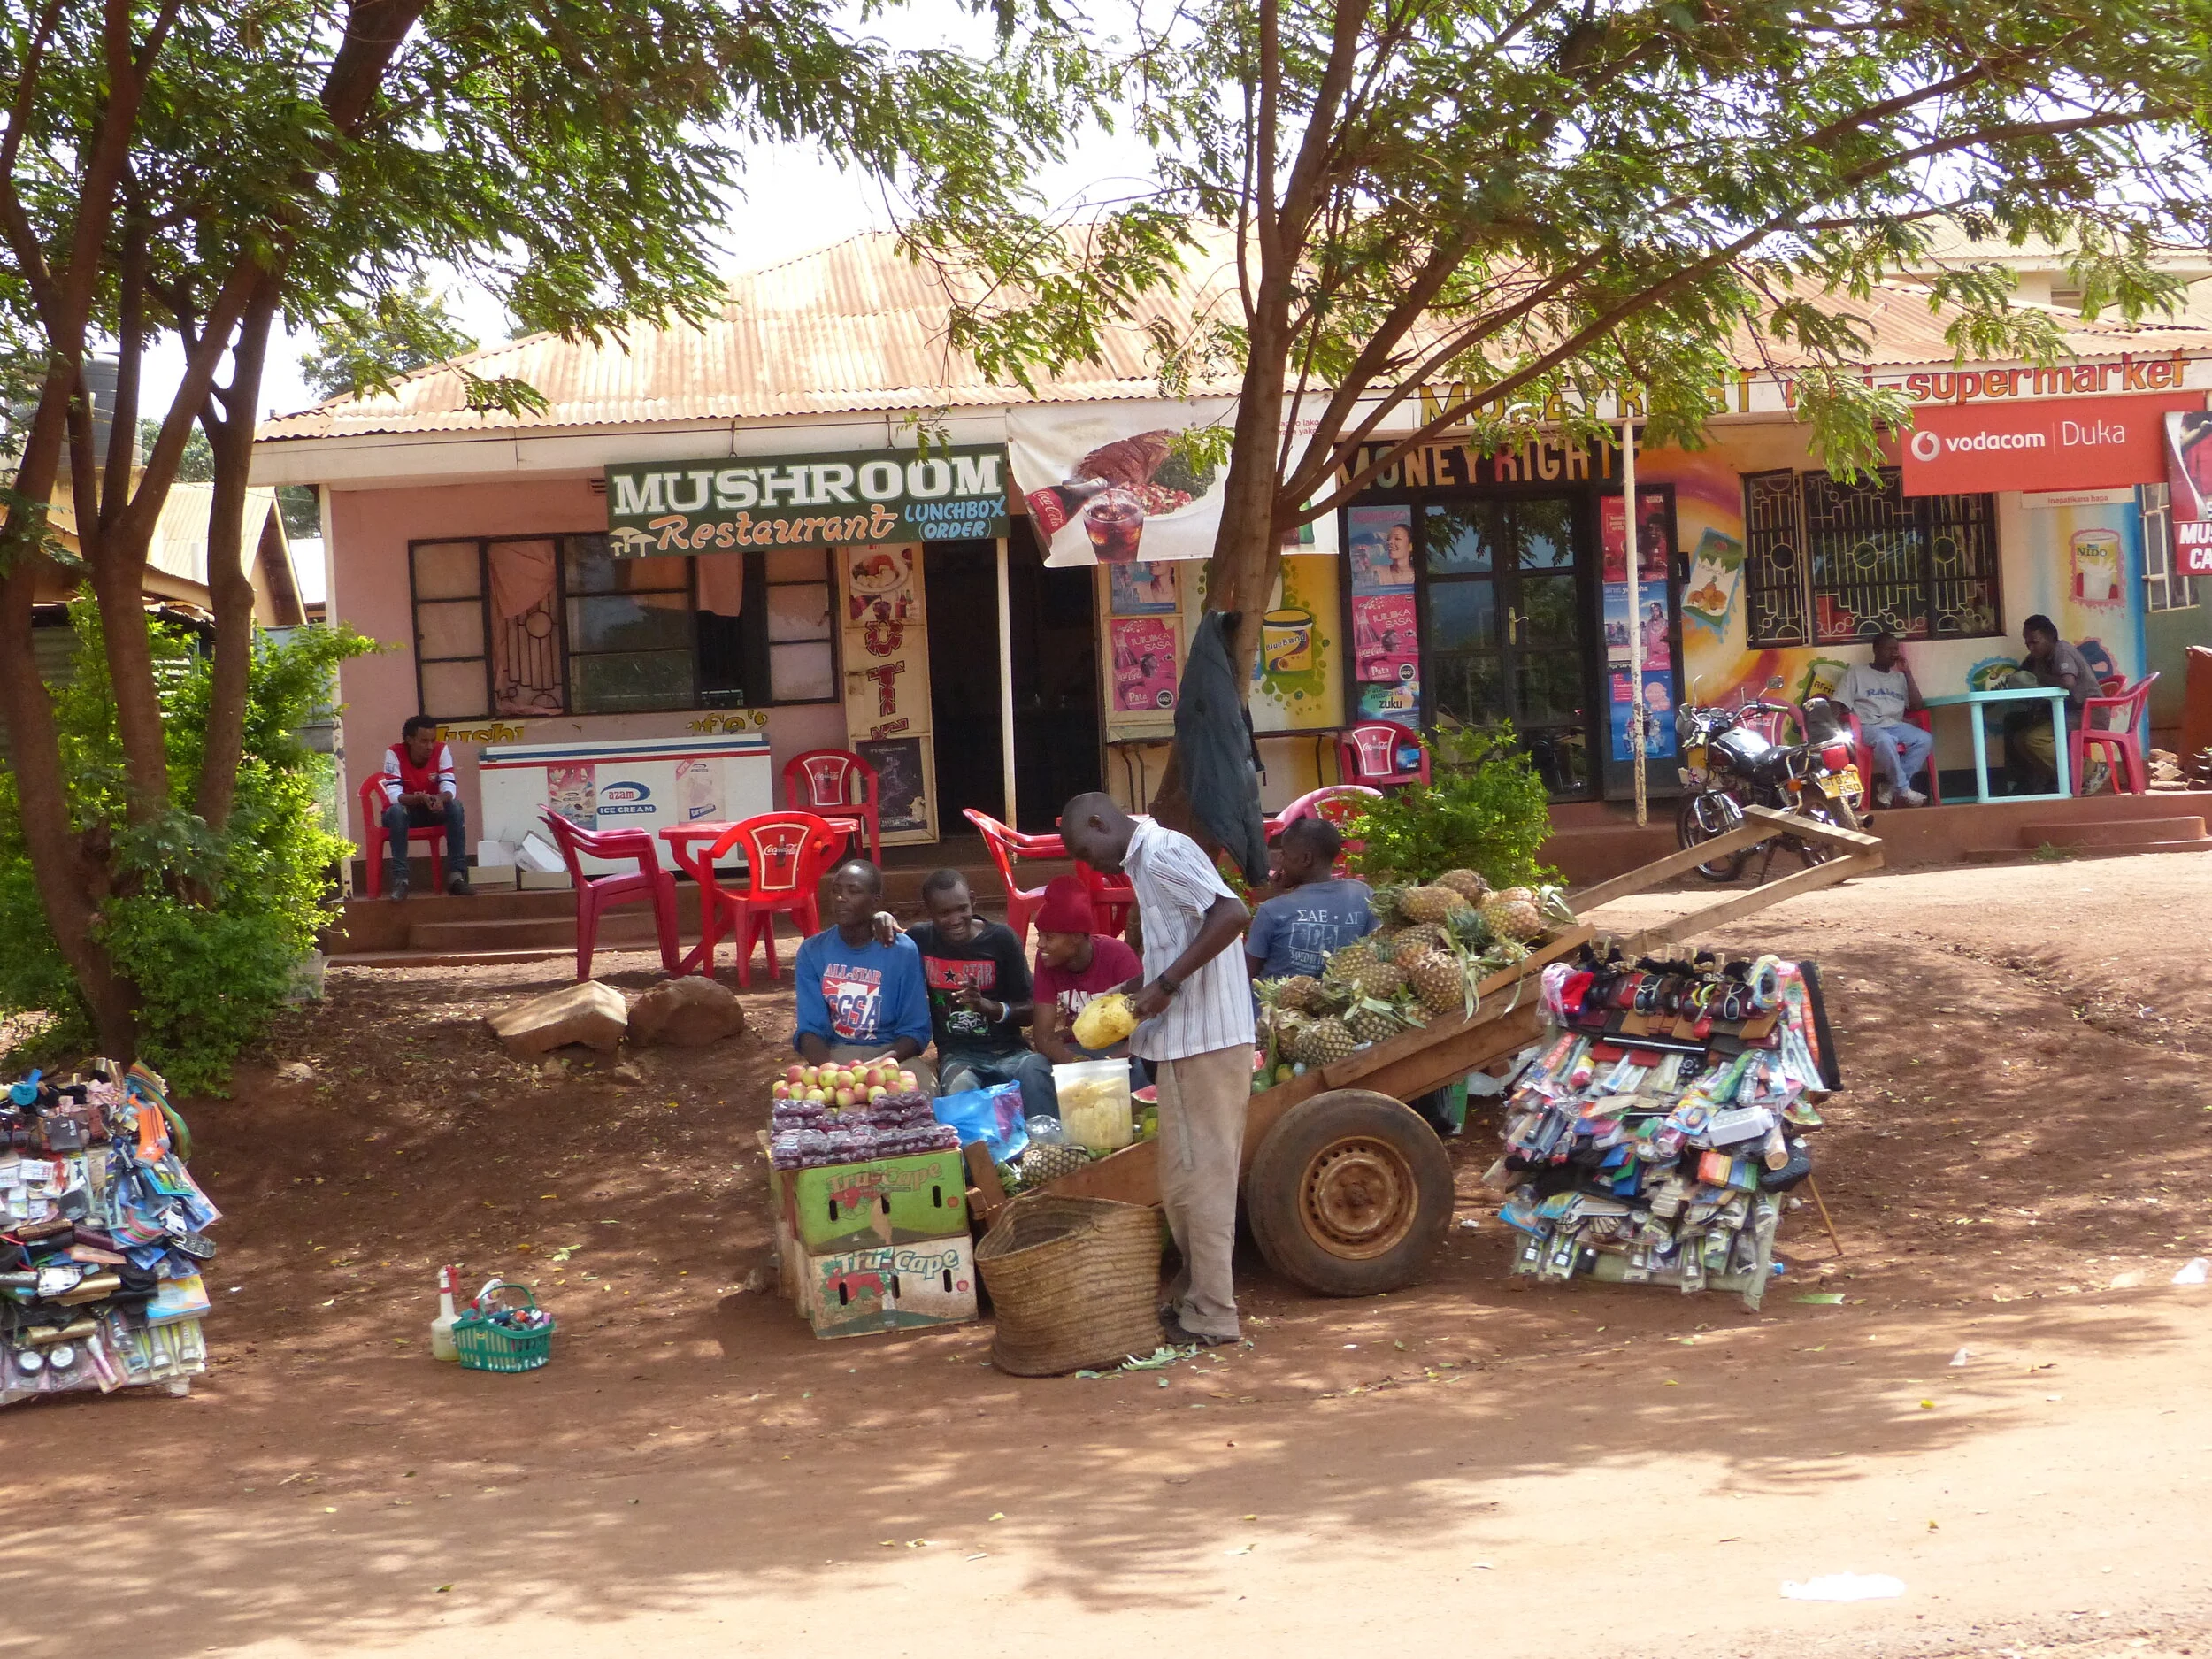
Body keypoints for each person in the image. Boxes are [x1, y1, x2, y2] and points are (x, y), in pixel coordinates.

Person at [1061, 791, 1253, 1348]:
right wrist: (1137, 988)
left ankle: (1215, 1312)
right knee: (1183, 1182)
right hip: (1182, 1042)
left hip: (1209, 1041)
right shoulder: (1142, 862)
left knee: (1207, 1182)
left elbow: (1231, 914)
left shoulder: (1164, 850)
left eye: (1085, 849)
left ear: (1101, 821)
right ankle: (1194, 1298)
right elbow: (1183, 941)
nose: (1089, 864)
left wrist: (1165, 987)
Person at [906, 870, 1056, 1118]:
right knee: (959, 1099)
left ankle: (1048, 1146)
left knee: (1037, 1070)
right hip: (959, 1055)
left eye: (961, 908)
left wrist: (989, 1007)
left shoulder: (1001, 940)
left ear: (973, 901)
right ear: (929, 911)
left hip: (1011, 1051)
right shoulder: (920, 939)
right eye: (944, 913)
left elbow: (1030, 1009)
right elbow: (885, 942)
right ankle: (978, 1156)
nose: (955, 919)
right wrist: (882, 918)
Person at [793, 859, 935, 1091]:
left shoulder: (902, 950)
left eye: (854, 891)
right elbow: (810, 1029)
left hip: (892, 1055)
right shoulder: (812, 950)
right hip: (835, 1054)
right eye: (836, 891)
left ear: (875, 902)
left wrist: (877, 1066)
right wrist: (833, 1071)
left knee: (922, 1099)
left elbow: (915, 1030)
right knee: (801, 1109)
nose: (841, 898)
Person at [1029, 875, 1145, 1070]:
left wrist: (1109, 1065)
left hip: (1122, 1053)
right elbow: (1043, 1036)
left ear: (1076, 937)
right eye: (1039, 935)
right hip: (1076, 1051)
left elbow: (1144, 1028)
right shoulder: (1046, 960)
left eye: (1049, 937)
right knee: (1031, 1067)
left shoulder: (1118, 955)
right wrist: (1074, 1061)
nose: (1040, 944)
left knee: (1145, 1065)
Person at [1244, 818, 1376, 980]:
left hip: (1275, 1004)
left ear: (1306, 859)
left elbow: (1247, 973)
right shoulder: (1363, 894)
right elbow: (1375, 950)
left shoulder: (1272, 910)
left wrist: (1275, 899)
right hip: (1340, 1002)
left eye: (1284, 853)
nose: (1280, 860)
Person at [379, 715, 472, 900]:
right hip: (403, 813)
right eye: (423, 741)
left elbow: (449, 786)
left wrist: (440, 798)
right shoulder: (394, 753)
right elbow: (393, 795)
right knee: (397, 812)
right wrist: (419, 799)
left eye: (432, 741)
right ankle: (401, 880)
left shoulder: (442, 750)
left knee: (455, 807)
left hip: (431, 811)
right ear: (409, 740)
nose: (430, 747)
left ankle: (456, 877)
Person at [1835, 630, 1932, 806]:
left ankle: (1889, 788)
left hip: (1894, 724)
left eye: (1896, 649)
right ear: (1876, 650)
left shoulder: (1899, 677)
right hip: (1867, 725)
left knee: (1924, 739)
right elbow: (1839, 703)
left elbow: (1918, 706)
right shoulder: (1857, 672)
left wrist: (1907, 672)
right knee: (1885, 741)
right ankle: (1903, 789)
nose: (1894, 653)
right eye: (1889, 649)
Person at [2004, 614, 2095, 792]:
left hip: (2083, 713)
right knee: (2018, 736)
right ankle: (2052, 780)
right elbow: (2021, 676)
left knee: (2033, 739)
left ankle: (2089, 770)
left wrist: (2040, 679)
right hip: (2059, 713)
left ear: (2050, 638)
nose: (2030, 648)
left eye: (2034, 642)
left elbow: (2068, 683)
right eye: (2027, 644)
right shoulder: (2036, 658)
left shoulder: (2061, 651)